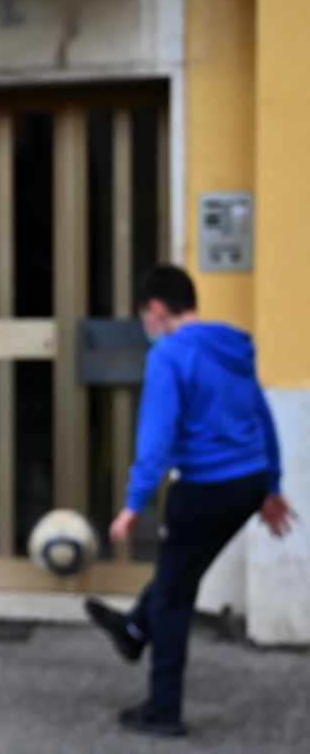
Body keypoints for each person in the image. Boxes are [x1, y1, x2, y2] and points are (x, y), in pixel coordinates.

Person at [85, 264, 296, 738]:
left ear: (156, 309)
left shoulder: (170, 355)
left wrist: (133, 504)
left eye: (145, 316)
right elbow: (263, 417)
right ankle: (133, 629)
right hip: (246, 484)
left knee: (175, 596)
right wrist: (271, 486)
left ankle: (163, 708)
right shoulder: (235, 347)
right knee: (181, 568)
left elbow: (155, 440)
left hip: (205, 488)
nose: (146, 326)